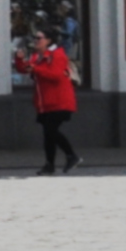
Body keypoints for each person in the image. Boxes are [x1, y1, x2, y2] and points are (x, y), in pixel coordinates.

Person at [14, 27, 80, 175]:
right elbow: (25, 69)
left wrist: (35, 69)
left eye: (39, 38)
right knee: (48, 134)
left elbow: (55, 75)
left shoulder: (57, 55)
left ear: (49, 40)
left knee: (51, 131)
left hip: (59, 101)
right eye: (35, 38)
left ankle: (71, 156)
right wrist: (19, 59)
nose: (36, 40)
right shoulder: (37, 56)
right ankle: (50, 165)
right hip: (44, 102)